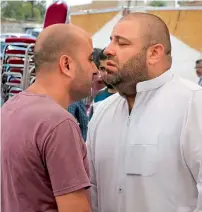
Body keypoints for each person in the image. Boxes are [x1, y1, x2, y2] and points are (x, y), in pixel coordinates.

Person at [87, 13, 202, 212]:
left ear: (154, 53)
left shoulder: (193, 105)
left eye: (121, 43)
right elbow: (93, 192)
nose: (108, 51)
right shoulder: (103, 111)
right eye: (110, 41)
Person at [2, 23, 98, 212]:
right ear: (67, 65)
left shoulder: (9, 109)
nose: (95, 69)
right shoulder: (58, 123)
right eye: (90, 59)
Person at [89, 48, 117, 118]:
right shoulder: (98, 96)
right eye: (102, 69)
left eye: (109, 68)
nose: (106, 73)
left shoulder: (128, 96)